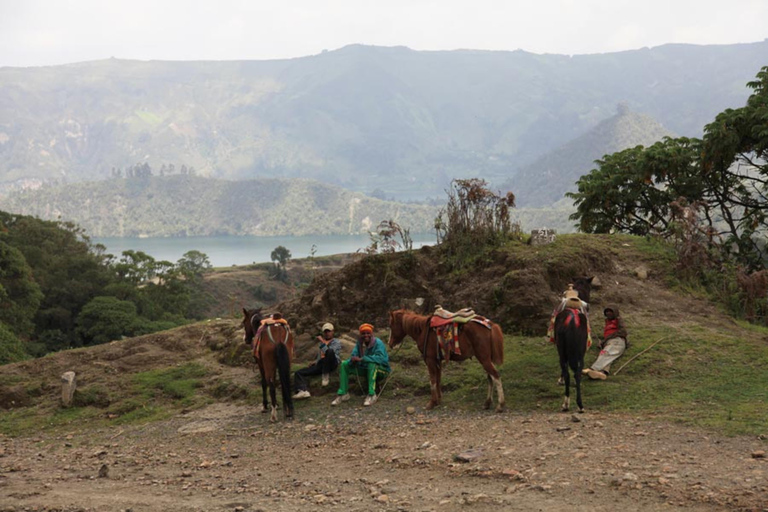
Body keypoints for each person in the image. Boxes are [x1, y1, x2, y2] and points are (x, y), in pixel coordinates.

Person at [331, 323, 391, 407]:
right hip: (366, 370)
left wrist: (363, 359)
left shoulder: (378, 343)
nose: (366, 335)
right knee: (345, 364)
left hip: (381, 370)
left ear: (371, 334)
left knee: (371, 364)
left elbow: (381, 359)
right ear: (360, 335)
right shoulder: (359, 343)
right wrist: (353, 360)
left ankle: (371, 394)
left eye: (368, 333)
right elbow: (354, 354)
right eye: (363, 333)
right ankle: (343, 393)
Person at [292, 322, 342, 399]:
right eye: (325, 332)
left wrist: (322, 342)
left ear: (333, 332)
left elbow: (330, 353)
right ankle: (303, 390)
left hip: (332, 363)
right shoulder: (321, 343)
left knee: (330, 351)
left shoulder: (336, 342)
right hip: (321, 364)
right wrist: (316, 361)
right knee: (299, 372)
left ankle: (325, 375)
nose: (327, 333)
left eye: (329, 331)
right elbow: (321, 355)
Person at [584, 306, 628, 380]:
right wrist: (603, 342)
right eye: (606, 311)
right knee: (607, 357)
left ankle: (593, 369)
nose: (608, 313)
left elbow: (623, 332)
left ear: (615, 312)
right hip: (609, 342)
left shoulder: (618, 320)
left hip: (617, 341)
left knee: (605, 353)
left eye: (610, 311)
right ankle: (602, 373)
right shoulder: (607, 322)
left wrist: (606, 339)